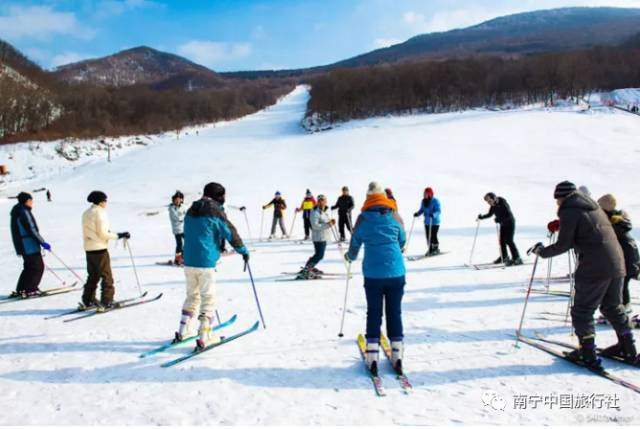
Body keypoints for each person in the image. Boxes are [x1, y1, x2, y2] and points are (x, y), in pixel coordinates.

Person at [531, 181, 638, 367]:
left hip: (594, 266)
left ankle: (587, 353)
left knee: (582, 310)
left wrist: (542, 251)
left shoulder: (570, 209)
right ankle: (628, 347)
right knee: (613, 306)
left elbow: (564, 244)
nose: (557, 204)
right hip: (617, 263)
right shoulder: (593, 206)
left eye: (557, 200)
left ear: (562, 197)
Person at [175, 182, 249, 350]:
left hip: (189, 260)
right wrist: (242, 250)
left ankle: (183, 330)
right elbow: (230, 232)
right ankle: (204, 335)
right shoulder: (215, 211)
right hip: (205, 261)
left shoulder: (192, 208)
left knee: (192, 295)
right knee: (208, 297)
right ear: (218, 196)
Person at [346, 181, 406, 375]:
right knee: (394, 312)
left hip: (373, 274)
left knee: (374, 312)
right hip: (396, 271)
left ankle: (372, 357)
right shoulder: (394, 214)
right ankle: (397, 354)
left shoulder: (363, 218)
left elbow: (355, 242)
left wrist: (350, 257)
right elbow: (402, 239)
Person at [81, 191, 130, 311]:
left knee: (93, 275)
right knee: (106, 276)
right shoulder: (100, 212)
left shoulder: (86, 213)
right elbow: (103, 233)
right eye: (105, 200)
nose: (106, 203)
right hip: (100, 248)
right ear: (100, 201)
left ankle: (88, 300)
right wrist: (119, 235)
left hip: (89, 248)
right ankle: (107, 301)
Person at [597, 194, 640, 314]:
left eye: (600, 206)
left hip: (626, 257)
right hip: (626, 256)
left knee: (620, 284)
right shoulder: (615, 219)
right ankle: (622, 307)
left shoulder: (614, 221)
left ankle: (622, 309)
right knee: (621, 284)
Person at [9, 192, 50, 298]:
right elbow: (31, 229)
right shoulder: (24, 212)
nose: (32, 203)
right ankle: (31, 289)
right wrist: (42, 242)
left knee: (28, 267)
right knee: (38, 267)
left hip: (22, 245)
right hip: (29, 245)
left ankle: (22, 289)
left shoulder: (17, 211)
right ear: (27, 201)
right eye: (31, 201)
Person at [478, 192, 522, 266]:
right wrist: (482, 217)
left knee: (509, 240)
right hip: (503, 224)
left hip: (510, 223)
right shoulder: (493, 206)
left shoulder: (502, 203)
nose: (489, 203)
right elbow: (489, 214)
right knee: (501, 241)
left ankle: (517, 258)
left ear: (494, 198)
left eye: (489, 201)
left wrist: (499, 219)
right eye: (487, 202)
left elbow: (508, 215)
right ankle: (504, 257)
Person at [297, 194, 335, 279]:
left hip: (324, 236)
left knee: (318, 254)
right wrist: (328, 224)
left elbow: (325, 221)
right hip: (318, 237)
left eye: (323, 200)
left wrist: (331, 222)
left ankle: (309, 267)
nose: (322, 202)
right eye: (320, 200)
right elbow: (315, 226)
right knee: (319, 255)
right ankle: (308, 269)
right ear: (317, 202)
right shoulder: (314, 211)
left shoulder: (324, 210)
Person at [413, 187, 441, 256]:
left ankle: (436, 248)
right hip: (427, 222)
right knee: (428, 236)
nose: (424, 195)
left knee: (433, 235)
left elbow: (438, 210)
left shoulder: (435, 201)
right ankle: (430, 248)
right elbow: (422, 209)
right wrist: (417, 213)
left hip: (434, 222)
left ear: (430, 194)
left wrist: (433, 214)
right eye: (424, 194)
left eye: (426, 194)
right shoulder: (423, 201)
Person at [169, 191, 186, 266]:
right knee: (179, 244)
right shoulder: (172, 208)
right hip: (177, 229)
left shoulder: (184, 207)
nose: (178, 201)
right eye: (176, 199)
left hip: (184, 228)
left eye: (179, 199)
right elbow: (177, 217)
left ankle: (183, 257)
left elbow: (187, 215)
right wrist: (183, 217)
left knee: (188, 242)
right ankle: (177, 259)